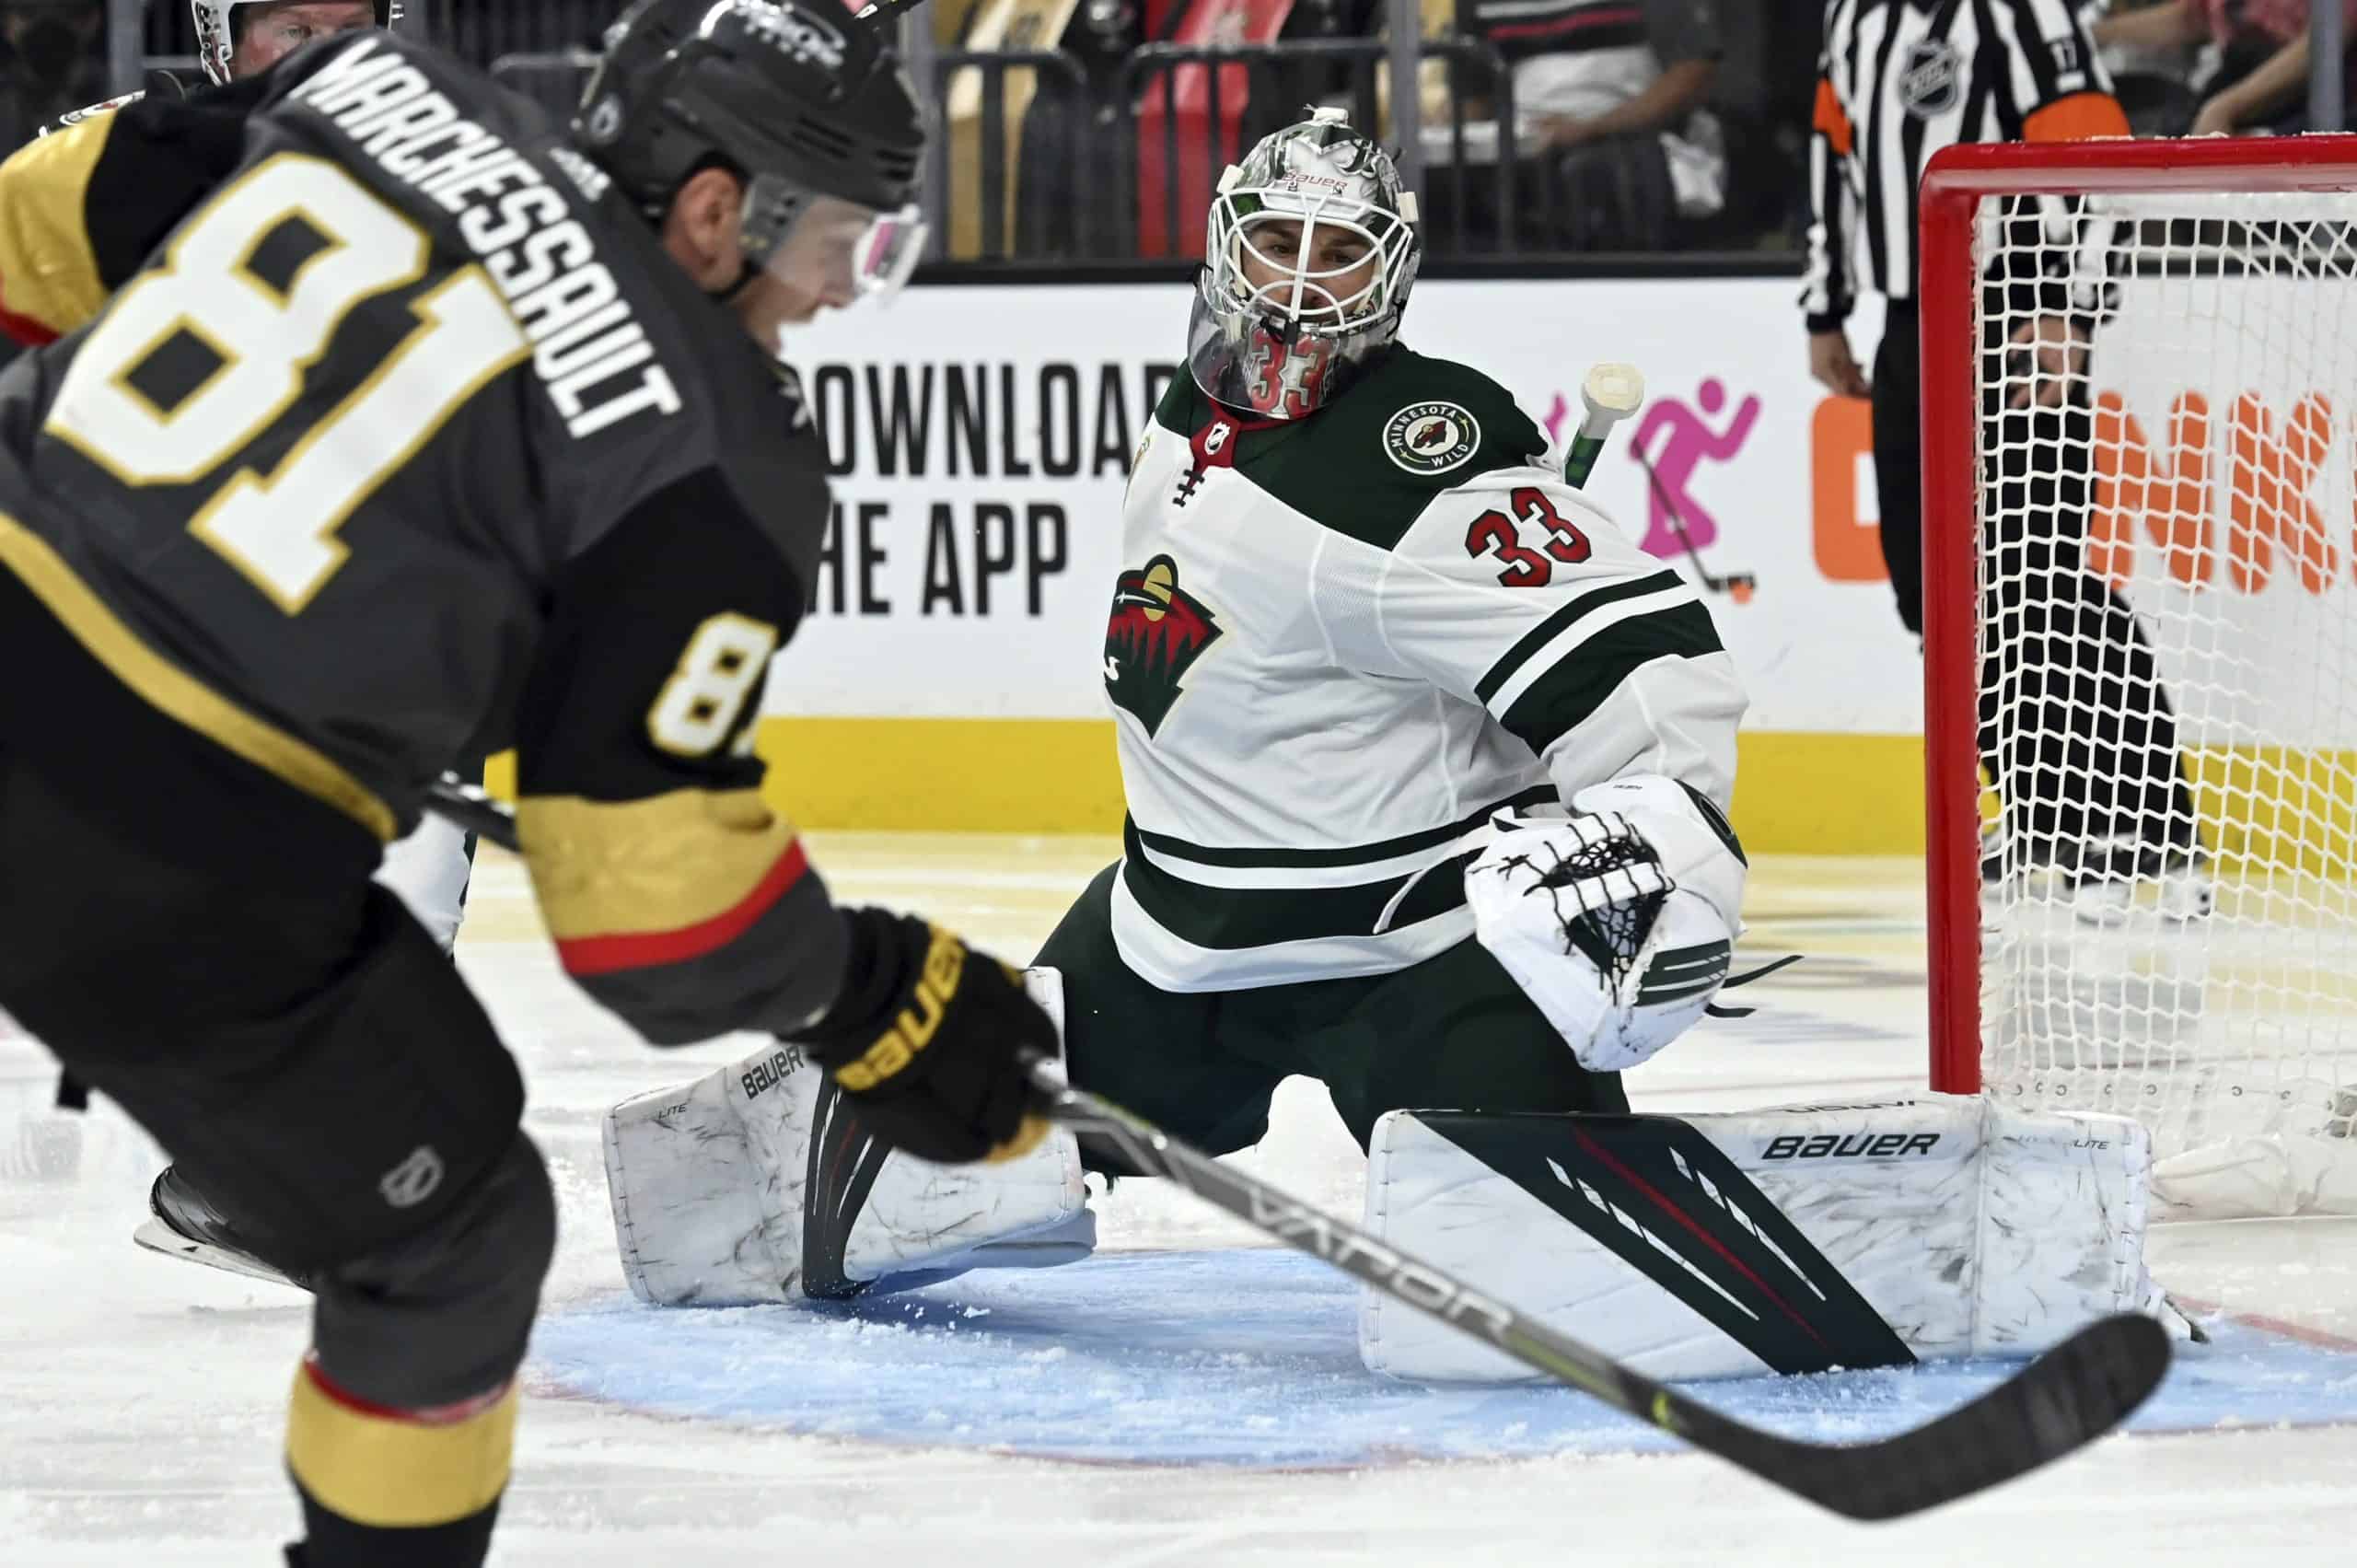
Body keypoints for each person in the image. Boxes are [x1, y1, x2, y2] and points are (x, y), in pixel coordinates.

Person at [597, 109, 2189, 1387]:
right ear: (1227, 247)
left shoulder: (1422, 459)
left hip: (1418, 953)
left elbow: (1654, 658)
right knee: (932, 1128)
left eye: (1338, 249)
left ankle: (1975, 1235)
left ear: (1392, 272)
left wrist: (1658, 831)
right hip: (1173, 937)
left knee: (1546, 1267)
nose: (1299, 279)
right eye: (1275, 239)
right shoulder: (1199, 393)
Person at [0, 4, 1062, 1563]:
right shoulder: (713, 460)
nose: (842, 289)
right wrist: (879, 996)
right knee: (455, 1235)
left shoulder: (375, 97)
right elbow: (653, 917)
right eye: (841, 236)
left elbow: (35, 218)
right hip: (166, 863)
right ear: (716, 209)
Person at [0, 0, 472, 1281]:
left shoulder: (456, 184)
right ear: (219, 41)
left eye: (344, 20)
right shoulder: (109, 171)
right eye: (284, 27)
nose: (319, 52)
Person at [1804, 0, 2207, 909]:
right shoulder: (1852, 14)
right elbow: (1834, 152)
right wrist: (1825, 305)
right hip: (1911, 317)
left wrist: (2070, 306)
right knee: (1927, 582)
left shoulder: (2021, 11)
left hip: (2022, 301)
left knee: (2037, 568)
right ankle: (2037, 811)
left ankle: (2145, 827)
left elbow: (2094, 158)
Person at [2093, 0, 2357, 136]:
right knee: (2160, 154)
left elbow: (2329, 35)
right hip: (2241, 75)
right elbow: (2191, 17)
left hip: (2326, 92)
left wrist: (2226, 107)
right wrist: (2084, 36)